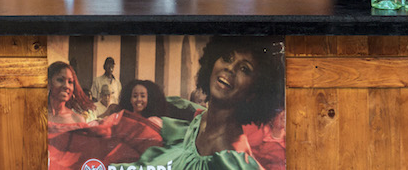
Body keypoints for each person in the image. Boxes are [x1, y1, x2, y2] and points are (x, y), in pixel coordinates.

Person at [118, 36, 285, 169]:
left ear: (254, 93)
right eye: (227, 58)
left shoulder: (232, 158)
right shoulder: (199, 120)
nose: (230, 68)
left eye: (244, 69)